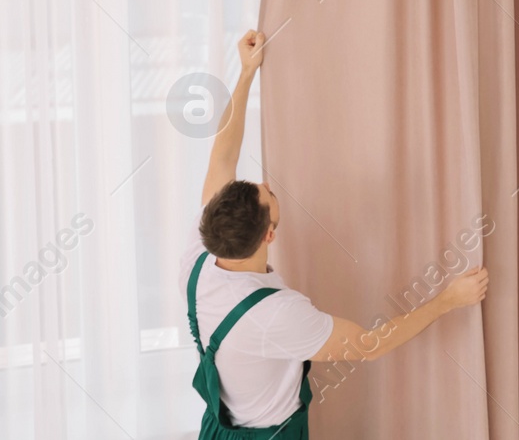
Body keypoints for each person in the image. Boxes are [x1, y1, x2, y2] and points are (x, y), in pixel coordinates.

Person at [181, 29, 489, 437]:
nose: (271, 185)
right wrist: (448, 300)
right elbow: (370, 345)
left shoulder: (200, 256)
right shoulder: (277, 314)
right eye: (270, 195)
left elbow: (223, 153)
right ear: (268, 236)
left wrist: (246, 73)